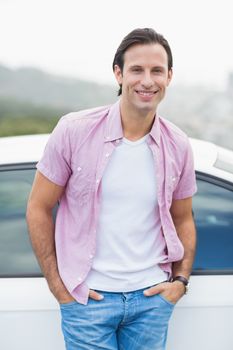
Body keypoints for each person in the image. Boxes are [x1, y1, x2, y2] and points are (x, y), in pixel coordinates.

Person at [26, 28, 197, 350]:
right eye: (136, 70)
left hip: (151, 299)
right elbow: (38, 207)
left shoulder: (178, 144)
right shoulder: (74, 131)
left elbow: (183, 219)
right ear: (118, 73)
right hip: (88, 300)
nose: (147, 80)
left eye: (156, 70)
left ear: (169, 76)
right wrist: (59, 287)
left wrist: (180, 282)